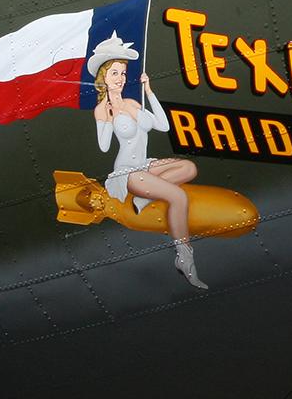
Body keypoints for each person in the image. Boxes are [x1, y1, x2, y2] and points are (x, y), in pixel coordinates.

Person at [88, 33, 208, 289]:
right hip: (127, 172)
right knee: (178, 197)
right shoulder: (102, 110)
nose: (120, 79)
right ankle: (184, 258)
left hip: (144, 164)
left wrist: (149, 92)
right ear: (103, 78)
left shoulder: (133, 102)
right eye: (114, 74)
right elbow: (104, 146)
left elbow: (163, 126)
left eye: (122, 73)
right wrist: (107, 118)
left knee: (188, 167)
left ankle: (146, 197)